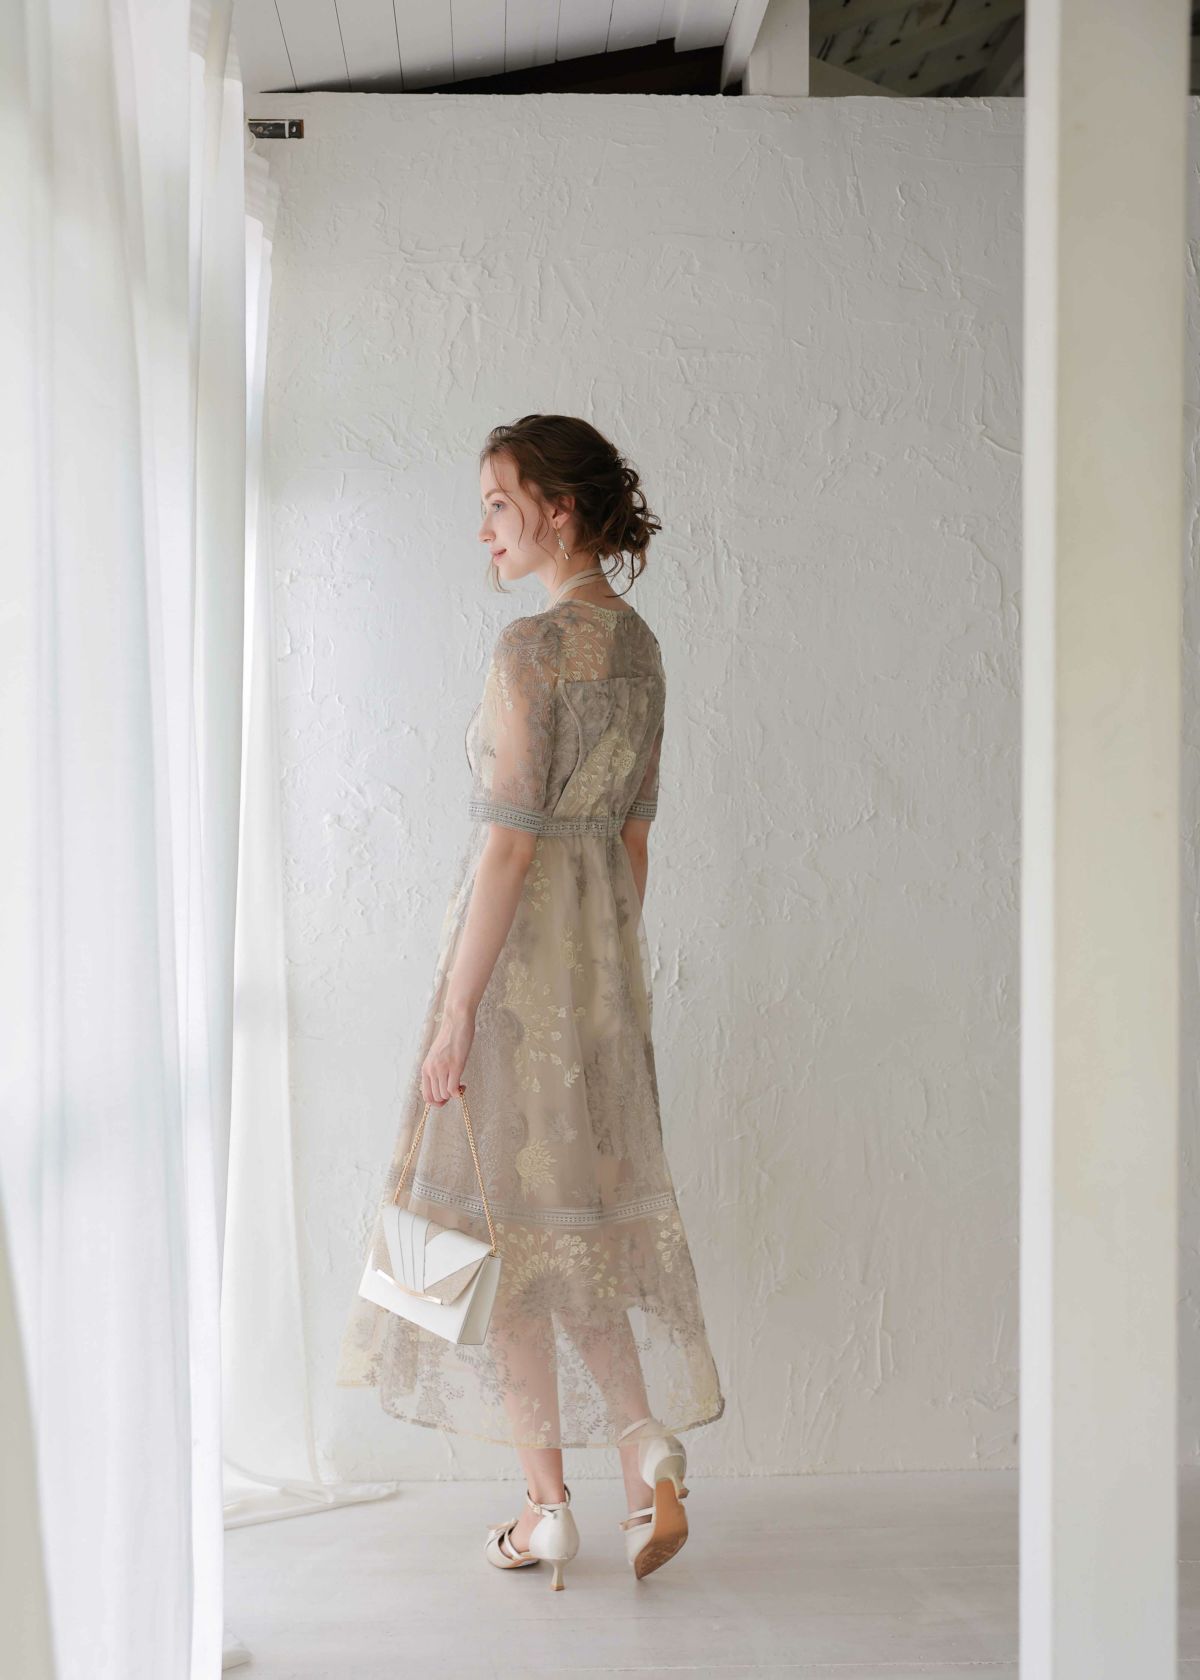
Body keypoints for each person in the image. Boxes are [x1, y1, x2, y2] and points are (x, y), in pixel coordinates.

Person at [336, 414, 724, 1586]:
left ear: (558, 510)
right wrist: (603, 979)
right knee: (571, 1233)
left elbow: (508, 848)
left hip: (508, 980)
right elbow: (635, 841)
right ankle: (644, 1451)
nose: (485, 532)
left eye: (499, 505)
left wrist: (459, 1011)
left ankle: (546, 1505)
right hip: (597, 982)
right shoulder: (641, 649)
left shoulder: (530, 649)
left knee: (493, 1235)